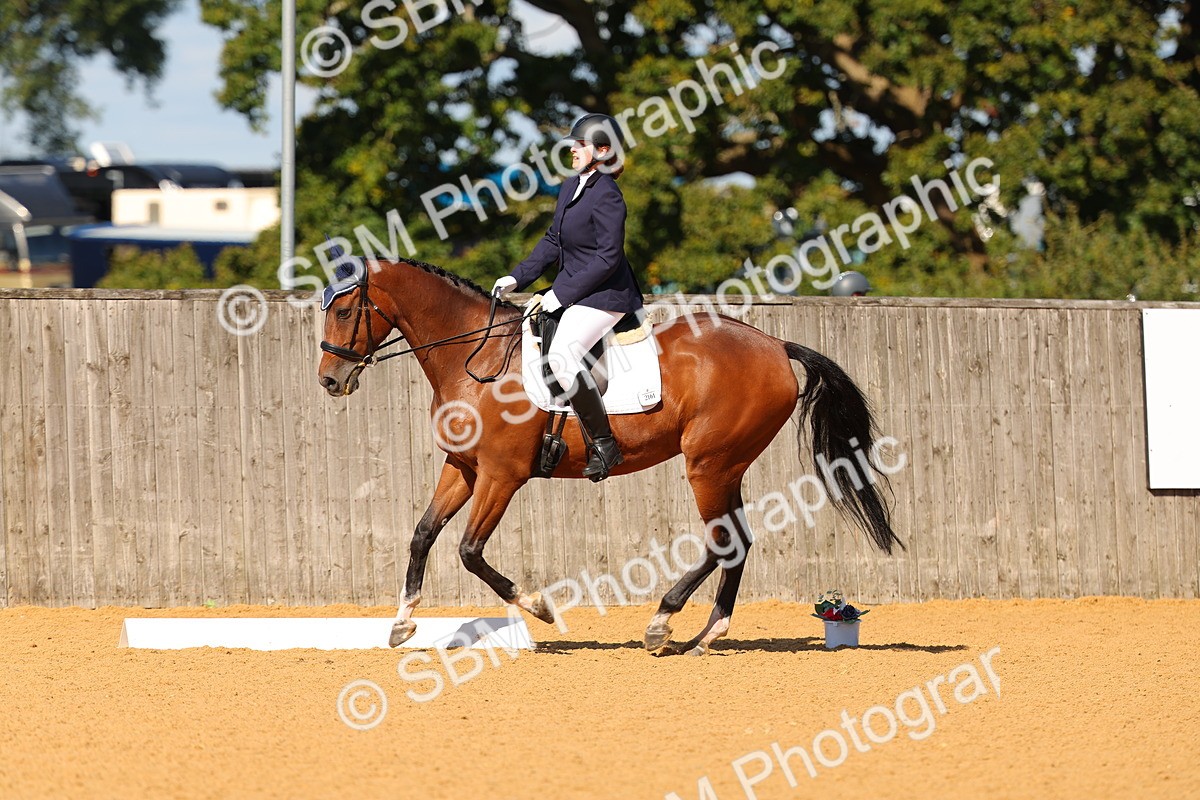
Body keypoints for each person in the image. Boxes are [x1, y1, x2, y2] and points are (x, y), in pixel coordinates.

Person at [491, 113, 643, 482]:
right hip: (576, 290)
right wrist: (518, 276)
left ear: (602, 151)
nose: (573, 149)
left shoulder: (608, 195)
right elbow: (552, 242)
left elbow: (608, 257)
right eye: (573, 144)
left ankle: (605, 445)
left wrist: (560, 294)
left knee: (562, 357)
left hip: (607, 295)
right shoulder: (571, 186)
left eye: (580, 144)